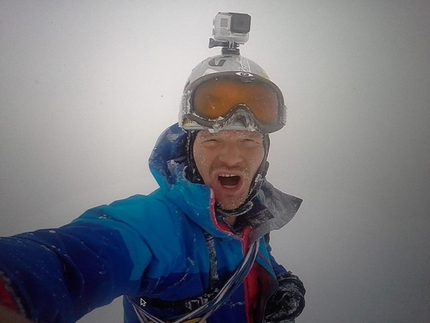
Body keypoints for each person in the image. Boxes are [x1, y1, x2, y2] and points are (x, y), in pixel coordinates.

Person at [0, 13, 305, 323]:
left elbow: (254, 252)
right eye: (212, 141)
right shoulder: (158, 228)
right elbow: (72, 260)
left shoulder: (253, 215)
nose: (231, 157)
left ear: (265, 153)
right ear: (188, 150)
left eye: (249, 141)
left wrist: (280, 281)